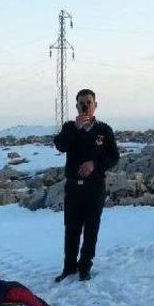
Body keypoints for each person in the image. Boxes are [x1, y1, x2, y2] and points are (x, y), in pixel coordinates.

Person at [53, 89, 119, 282]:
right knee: (71, 228)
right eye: (81, 103)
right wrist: (75, 128)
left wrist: (94, 164)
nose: (85, 106)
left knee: (91, 229)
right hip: (73, 187)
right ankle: (69, 268)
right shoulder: (69, 127)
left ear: (95, 105)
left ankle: (85, 268)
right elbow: (60, 145)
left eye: (88, 102)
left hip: (95, 186)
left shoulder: (104, 130)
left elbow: (114, 157)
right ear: (76, 106)